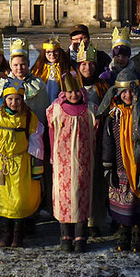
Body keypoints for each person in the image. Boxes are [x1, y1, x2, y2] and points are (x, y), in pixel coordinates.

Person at [97, 68, 140, 252]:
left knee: (138, 205)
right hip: (120, 166)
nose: (127, 95)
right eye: (123, 91)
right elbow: (107, 142)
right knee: (122, 205)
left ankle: (137, 234)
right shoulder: (113, 114)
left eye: (131, 91)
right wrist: (108, 166)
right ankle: (123, 232)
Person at [0, 79, 46, 248]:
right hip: (1, 164)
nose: (13, 103)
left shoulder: (29, 117)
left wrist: (37, 167)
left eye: (17, 99)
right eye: (10, 99)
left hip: (21, 163)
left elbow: (36, 142)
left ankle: (18, 233)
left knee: (19, 199)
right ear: (4, 99)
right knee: (4, 199)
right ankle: (6, 232)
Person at [46, 73, 97, 252]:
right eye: (69, 92)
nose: (73, 95)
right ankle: (65, 235)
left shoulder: (90, 110)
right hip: (63, 163)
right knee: (64, 199)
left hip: (84, 162)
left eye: (76, 91)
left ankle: (80, 236)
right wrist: (53, 155)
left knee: (81, 198)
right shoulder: (56, 110)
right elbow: (52, 132)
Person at [75, 43, 110, 236]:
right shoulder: (72, 87)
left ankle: (94, 220)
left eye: (91, 64)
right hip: (78, 142)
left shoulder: (102, 86)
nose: (87, 68)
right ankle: (79, 218)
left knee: (97, 181)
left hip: (97, 140)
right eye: (83, 64)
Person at [0, 38, 49, 125]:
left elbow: (42, 111)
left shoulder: (38, 85)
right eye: (15, 65)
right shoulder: (3, 84)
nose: (19, 68)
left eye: (23, 64)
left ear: (28, 64)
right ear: (11, 65)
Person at [31, 38, 74, 103]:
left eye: (55, 51)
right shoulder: (38, 69)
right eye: (48, 52)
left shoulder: (66, 67)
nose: (52, 55)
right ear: (44, 53)